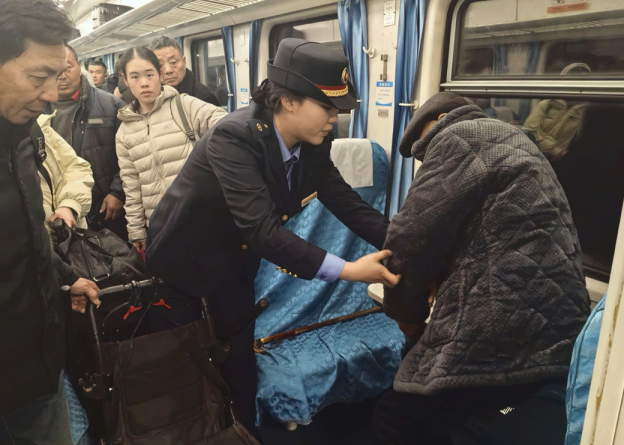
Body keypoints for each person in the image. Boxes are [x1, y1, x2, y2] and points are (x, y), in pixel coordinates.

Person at [147, 38, 399, 439]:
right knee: (186, 368)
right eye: (327, 107)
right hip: (182, 266)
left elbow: (348, 204)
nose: (334, 117)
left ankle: (243, 434)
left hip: (235, 264)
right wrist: (350, 270)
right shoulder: (235, 137)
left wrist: (408, 243)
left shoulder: (315, 143)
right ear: (288, 101)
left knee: (239, 363)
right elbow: (262, 230)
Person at [373, 92, 591, 445]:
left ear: (440, 121)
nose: (427, 158)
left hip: (502, 327)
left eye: (425, 147)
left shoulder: (456, 138)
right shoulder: (514, 139)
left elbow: (409, 240)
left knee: (396, 414)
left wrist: (407, 317)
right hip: (560, 327)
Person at [0, 1, 101, 443]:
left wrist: (65, 276)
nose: (51, 97)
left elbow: (26, 234)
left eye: (56, 77)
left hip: (39, 367)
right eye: (38, 77)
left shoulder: (22, 137)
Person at [116, 46, 227, 251]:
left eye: (149, 74)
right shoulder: (124, 132)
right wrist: (136, 232)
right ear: (125, 80)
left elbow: (225, 125)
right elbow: (131, 186)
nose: (144, 83)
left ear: (159, 74)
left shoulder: (184, 105)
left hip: (200, 218)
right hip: (159, 227)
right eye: (135, 77)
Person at [46, 45, 128, 238]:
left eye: (67, 67)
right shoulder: (33, 110)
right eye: (53, 69)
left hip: (103, 206)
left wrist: (118, 192)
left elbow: (131, 153)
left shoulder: (112, 105)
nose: (61, 75)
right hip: (54, 209)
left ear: (79, 67)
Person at [37, 112, 94, 247]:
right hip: (30, 252)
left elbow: (74, 166)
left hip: (70, 242)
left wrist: (70, 205)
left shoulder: (38, 127)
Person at [148, 36, 220, 107]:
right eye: (160, 65)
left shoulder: (203, 98)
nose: (168, 70)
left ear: (184, 61)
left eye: (173, 62)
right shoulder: (150, 96)